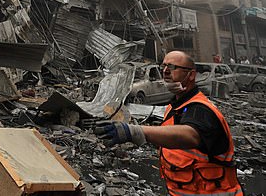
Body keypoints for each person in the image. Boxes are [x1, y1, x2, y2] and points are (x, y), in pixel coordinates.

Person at [95, 50, 243, 195]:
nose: (165, 71)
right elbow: (173, 143)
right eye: (163, 66)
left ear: (191, 75)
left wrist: (136, 131)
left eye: (172, 67)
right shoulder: (174, 107)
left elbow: (191, 135)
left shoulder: (201, 109)